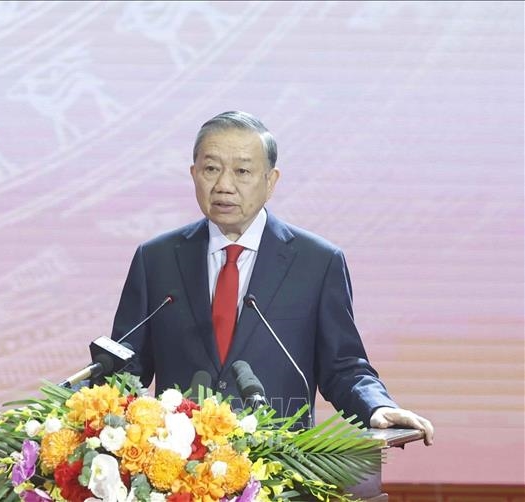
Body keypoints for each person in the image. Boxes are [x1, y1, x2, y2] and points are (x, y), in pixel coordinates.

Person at [111, 111, 434, 445]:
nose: (223, 186)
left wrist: (377, 406)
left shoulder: (317, 262)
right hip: (181, 464)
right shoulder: (156, 259)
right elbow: (124, 369)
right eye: (211, 169)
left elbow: (344, 367)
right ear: (194, 174)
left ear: (271, 181)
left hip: (279, 464)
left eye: (242, 171)